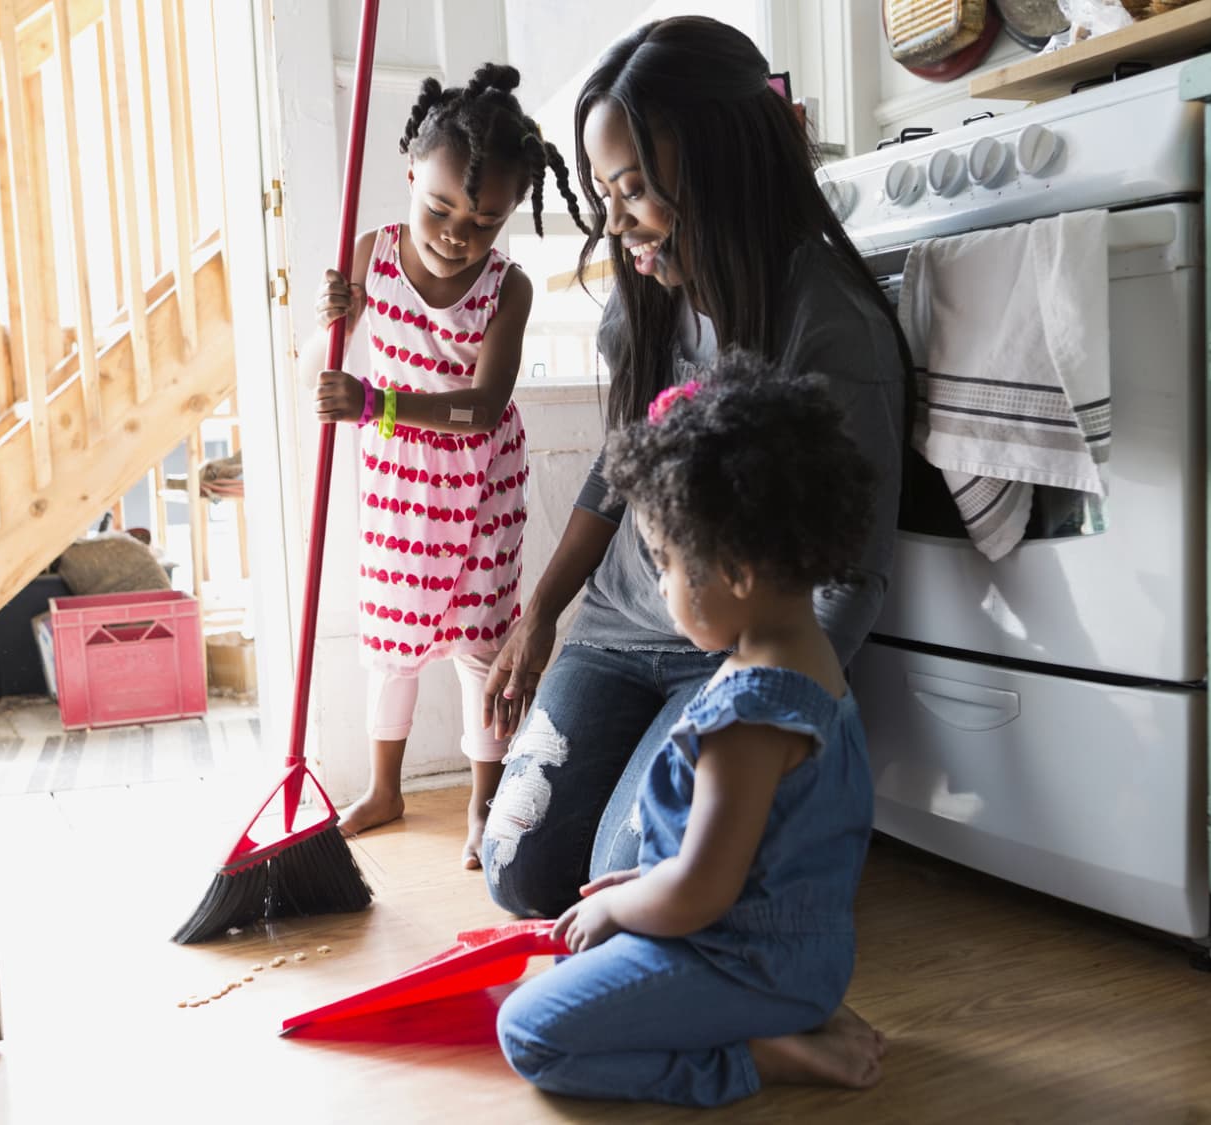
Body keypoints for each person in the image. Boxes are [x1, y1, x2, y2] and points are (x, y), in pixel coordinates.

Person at [479, 16, 908, 917]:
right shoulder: (647, 303)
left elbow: (850, 576)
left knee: (630, 877)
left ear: (722, 166)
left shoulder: (828, 330)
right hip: (616, 634)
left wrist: (763, 717)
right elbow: (616, 471)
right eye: (604, 193)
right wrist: (542, 613)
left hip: (734, 650)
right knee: (518, 867)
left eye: (635, 190)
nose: (617, 222)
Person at [496, 356, 888, 1106]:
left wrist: (623, 903)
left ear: (736, 571)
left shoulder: (746, 713)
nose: (664, 589)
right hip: (804, 956)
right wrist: (642, 883)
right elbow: (761, 853)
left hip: (746, 964)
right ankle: (795, 1017)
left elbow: (702, 893)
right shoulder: (814, 667)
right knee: (583, 953)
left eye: (668, 564)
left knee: (530, 1030)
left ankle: (758, 1056)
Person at [313, 63, 587, 866]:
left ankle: (482, 801)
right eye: (438, 207)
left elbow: (485, 405)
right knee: (393, 641)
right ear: (409, 178)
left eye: (484, 219)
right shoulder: (372, 255)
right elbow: (316, 369)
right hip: (398, 488)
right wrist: (333, 321)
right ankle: (385, 786)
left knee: (478, 644)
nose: (456, 234)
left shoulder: (510, 289)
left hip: (478, 488)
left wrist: (377, 404)